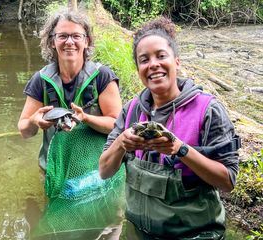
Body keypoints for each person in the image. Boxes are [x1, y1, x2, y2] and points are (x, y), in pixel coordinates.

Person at [99, 16, 240, 240]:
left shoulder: (208, 110)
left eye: (161, 56)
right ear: (138, 70)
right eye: (144, 60)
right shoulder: (132, 111)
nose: (153, 64)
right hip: (137, 232)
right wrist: (121, 143)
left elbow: (228, 181)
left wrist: (179, 149)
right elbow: (104, 171)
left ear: (176, 61)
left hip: (194, 235)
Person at [18, 10, 124, 239]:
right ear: (52, 41)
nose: (69, 42)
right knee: (55, 224)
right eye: (62, 36)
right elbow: (24, 130)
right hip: (54, 169)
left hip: (98, 170)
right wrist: (35, 121)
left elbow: (117, 124)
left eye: (76, 36)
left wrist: (85, 118)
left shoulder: (102, 76)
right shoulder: (41, 80)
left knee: (103, 222)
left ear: (86, 41)